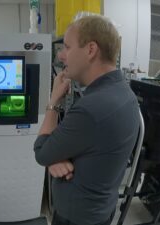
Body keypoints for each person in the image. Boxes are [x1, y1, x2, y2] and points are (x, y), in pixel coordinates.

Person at [34, 15, 140, 225]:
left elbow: (41, 152)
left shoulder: (92, 108)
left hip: (76, 217)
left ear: (91, 50)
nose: (62, 56)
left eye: (67, 47)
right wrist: (56, 157)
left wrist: (54, 100)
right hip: (101, 210)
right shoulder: (124, 93)